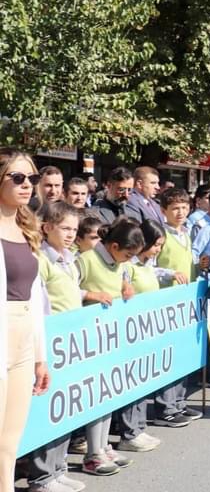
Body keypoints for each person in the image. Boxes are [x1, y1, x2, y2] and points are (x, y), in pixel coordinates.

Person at [77, 217, 155, 462]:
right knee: (95, 395)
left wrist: (125, 286)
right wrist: (90, 294)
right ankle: (93, 451)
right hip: (89, 338)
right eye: (128, 254)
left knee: (108, 392)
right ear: (113, 247)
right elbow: (66, 289)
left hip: (111, 337)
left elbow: (120, 276)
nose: (130, 260)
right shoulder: (86, 260)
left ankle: (102, 445)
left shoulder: (118, 263)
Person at [25, 202, 89, 491]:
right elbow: (40, 304)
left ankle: (58, 466)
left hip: (71, 341)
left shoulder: (70, 258)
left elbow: (72, 292)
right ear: (47, 227)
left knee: (66, 406)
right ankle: (42, 476)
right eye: (65, 228)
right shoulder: (40, 260)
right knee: (49, 407)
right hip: (51, 340)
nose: (70, 234)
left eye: (74, 229)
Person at [0, 151, 51, 490]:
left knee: (8, 444)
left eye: (31, 178)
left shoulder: (26, 226)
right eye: (17, 178)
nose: (27, 185)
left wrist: (39, 356)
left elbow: (34, 298)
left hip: (22, 338)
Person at [152, 187, 202, 427]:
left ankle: (179, 401)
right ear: (164, 211)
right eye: (175, 208)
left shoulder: (187, 233)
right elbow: (148, 266)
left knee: (183, 352)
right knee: (168, 354)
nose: (180, 212)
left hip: (186, 301)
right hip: (166, 302)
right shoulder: (161, 235)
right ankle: (166, 407)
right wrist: (170, 273)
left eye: (184, 207)